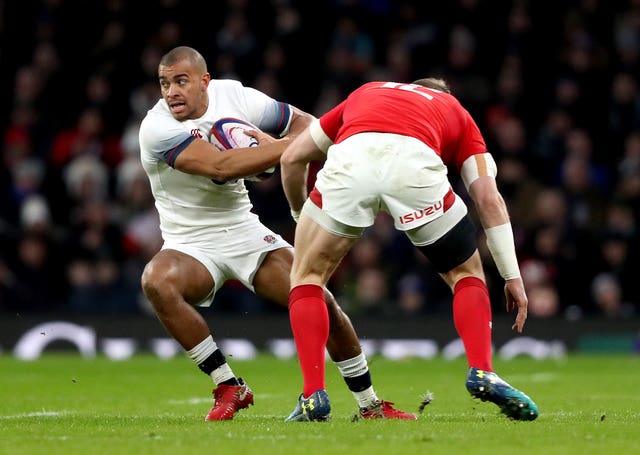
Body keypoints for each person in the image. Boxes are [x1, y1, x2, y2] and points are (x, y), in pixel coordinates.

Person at [137, 46, 415, 421]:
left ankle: (370, 405)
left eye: (181, 81)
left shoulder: (234, 95)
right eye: (164, 83)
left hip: (243, 230)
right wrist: (283, 149)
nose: (171, 91)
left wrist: (290, 145)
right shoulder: (157, 128)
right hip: (189, 242)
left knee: (319, 301)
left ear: (205, 81)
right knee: (157, 280)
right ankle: (228, 385)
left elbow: (305, 123)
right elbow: (220, 166)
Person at [280, 78, 539, 421]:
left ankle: (313, 395)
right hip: (415, 168)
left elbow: (292, 158)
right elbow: (489, 198)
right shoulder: (454, 110)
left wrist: (304, 215)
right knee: (465, 273)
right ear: (442, 94)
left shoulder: (368, 92)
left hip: (352, 162)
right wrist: (512, 275)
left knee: (307, 276)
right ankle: (482, 370)